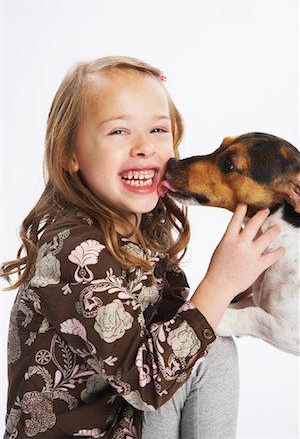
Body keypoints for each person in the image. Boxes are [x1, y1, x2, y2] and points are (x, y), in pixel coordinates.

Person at [1, 56, 284, 439]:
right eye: (119, 132)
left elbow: (181, 328)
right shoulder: (72, 250)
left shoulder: (143, 236)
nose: (144, 147)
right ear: (70, 153)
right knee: (206, 348)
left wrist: (245, 283)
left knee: (210, 347)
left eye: (157, 129)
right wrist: (219, 284)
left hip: (129, 424)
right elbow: (147, 380)